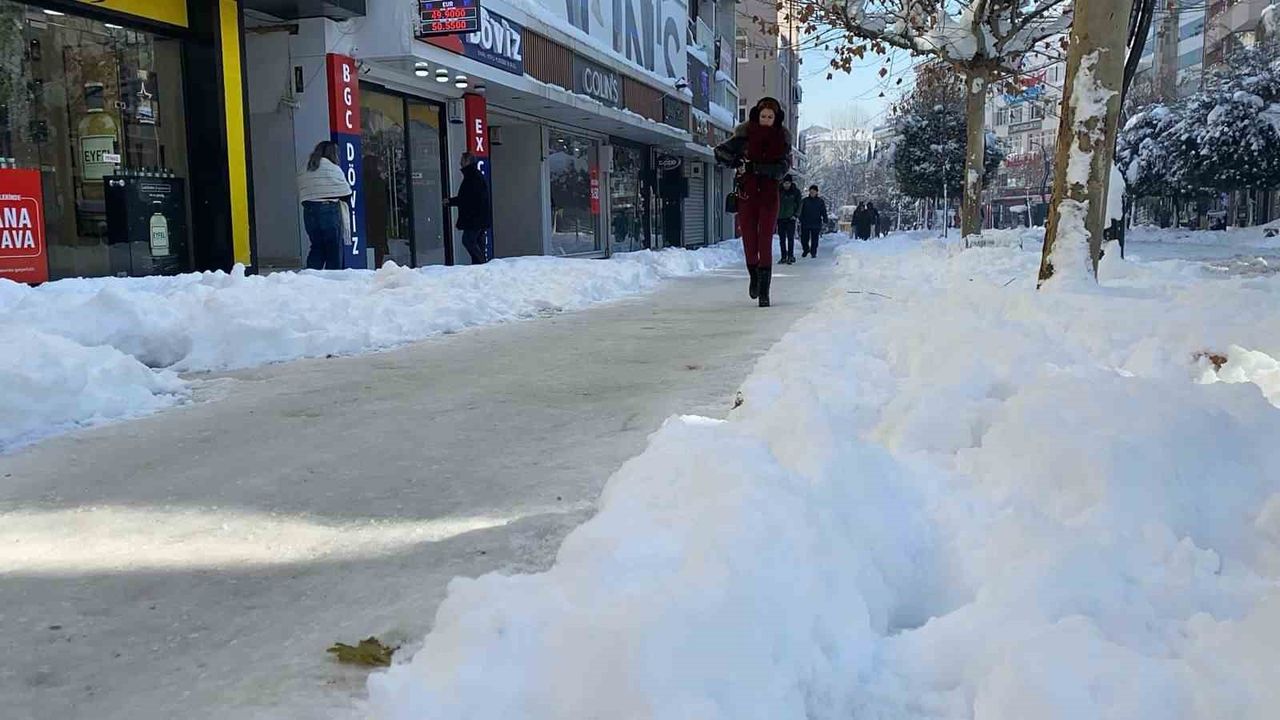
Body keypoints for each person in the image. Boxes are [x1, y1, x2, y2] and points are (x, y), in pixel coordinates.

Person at [715, 97, 792, 307]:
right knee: (749, 240)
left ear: (776, 118)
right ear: (757, 116)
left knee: (765, 241)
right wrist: (736, 161)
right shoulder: (744, 135)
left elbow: (782, 169)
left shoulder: (782, 139)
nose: (766, 120)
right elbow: (719, 152)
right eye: (763, 116)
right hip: (747, 195)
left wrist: (756, 168)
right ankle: (754, 276)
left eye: (770, 117)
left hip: (769, 196)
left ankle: (765, 292)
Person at [297, 141, 352, 270]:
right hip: (329, 211)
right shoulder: (332, 168)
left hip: (309, 211)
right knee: (333, 249)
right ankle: (332, 279)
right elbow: (346, 193)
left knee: (316, 247)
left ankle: (310, 277)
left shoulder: (306, 167)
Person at [445, 152, 492, 264]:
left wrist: (450, 201)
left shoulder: (472, 177)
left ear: (467, 161)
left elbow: (467, 198)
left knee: (468, 241)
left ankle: (482, 264)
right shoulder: (475, 175)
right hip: (479, 217)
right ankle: (480, 267)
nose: (460, 162)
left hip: (474, 218)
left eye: (462, 160)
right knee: (477, 243)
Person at [776, 174, 802, 265]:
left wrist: (796, 215)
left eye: (788, 183)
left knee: (790, 238)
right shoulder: (778, 191)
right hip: (780, 218)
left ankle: (790, 256)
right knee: (782, 239)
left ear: (791, 183)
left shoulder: (796, 192)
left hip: (791, 218)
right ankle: (783, 256)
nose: (786, 185)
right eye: (785, 183)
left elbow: (799, 204)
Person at [798, 185, 828, 258]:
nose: (812, 193)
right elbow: (800, 211)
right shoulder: (805, 201)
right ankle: (806, 249)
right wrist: (801, 219)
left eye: (814, 191)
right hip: (805, 222)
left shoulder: (820, 201)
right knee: (804, 238)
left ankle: (813, 252)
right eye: (811, 191)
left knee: (815, 239)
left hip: (816, 223)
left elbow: (823, 211)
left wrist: (825, 219)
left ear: (816, 192)